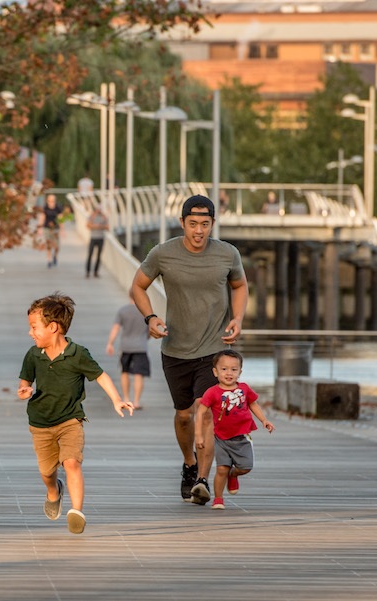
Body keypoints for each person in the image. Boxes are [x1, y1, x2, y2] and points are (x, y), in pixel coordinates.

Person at [130, 194, 248, 506]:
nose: (199, 231)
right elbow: (137, 287)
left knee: (205, 412)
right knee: (184, 416)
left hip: (214, 349)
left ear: (212, 224)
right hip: (176, 349)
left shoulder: (227, 254)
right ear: (182, 223)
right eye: (193, 224)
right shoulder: (163, 253)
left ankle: (202, 480)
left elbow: (239, 286)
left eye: (205, 224)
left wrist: (237, 319)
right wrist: (151, 318)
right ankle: (189, 462)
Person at [17, 293, 134, 534]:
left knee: (71, 462)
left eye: (34, 327)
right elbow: (25, 379)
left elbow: (100, 375)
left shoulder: (78, 353)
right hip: (40, 422)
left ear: (53, 327)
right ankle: (53, 491)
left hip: (71, 420)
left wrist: (117, 400)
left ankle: (76, 512)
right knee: (47, 472)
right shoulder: (33, 355)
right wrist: (24, 389)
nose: (30, 332)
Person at [194, 349, 274, 509]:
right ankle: (218, 499)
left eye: (233, 369)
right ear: (215, 372)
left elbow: (253, 404)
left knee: (245, 467)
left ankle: (234, 475)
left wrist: (264, 420)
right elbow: (201, 412)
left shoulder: (244, 389)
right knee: (222, 469)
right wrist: (199, 436)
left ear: (240, 372)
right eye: (224, 369)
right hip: (221, 438)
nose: (229, 373)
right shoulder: (212, 392)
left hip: (241, 437)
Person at [105, 293, 150, 410]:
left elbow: (116, 328)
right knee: (138, 374)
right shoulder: (146, 312)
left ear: (129, 296)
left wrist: (110, 343)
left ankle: (125, 398)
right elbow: (150, 329)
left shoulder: (123, 311)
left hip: (126, 346)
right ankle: (136, 401)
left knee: (124, 372)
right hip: (140, 346)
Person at [38, 194, 65, 268]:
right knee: (48, 245)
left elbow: (60, 219)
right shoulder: (45, 208)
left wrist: (62, 230)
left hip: (55, 229)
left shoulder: (58, 208)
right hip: (47, 228)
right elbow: (42, 218)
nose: (51, 202)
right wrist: (39, 228)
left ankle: (55, 256)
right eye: (50, 200)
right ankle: (49, 260)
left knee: (56, 246)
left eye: (53, 200)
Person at [85, 205, 108, 278]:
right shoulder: (92, 216)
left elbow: (107, 227)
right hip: (93, 238)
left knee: (99, 256)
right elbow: (88, 225)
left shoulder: (104, 217)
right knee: (90, 255)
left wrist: (98, 226)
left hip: (101, 238)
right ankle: (88, 271)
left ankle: (96, 271)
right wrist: (97, 226)